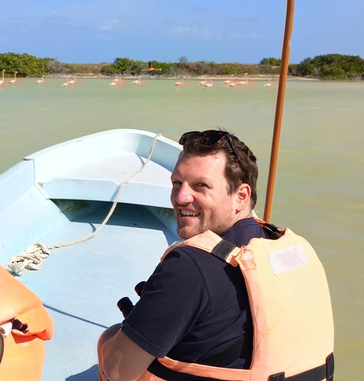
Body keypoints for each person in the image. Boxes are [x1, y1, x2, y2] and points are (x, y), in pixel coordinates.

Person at [97, 130, 334, 381]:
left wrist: (131, 325)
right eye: (177, 183)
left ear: (241, 196)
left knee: (109, 338)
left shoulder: (189, 266)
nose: (180, 197)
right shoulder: (290, 248)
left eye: (200, 186)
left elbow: (118, 371)